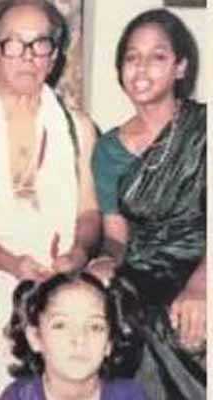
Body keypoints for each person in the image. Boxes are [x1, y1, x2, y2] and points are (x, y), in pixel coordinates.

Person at [0, 0, 101, 395]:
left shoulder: (79, 129)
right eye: (14, 43)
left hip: (63, 280)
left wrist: (78, 253)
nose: (28, 56)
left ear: (54, 56)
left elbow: (89, 213)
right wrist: (12, 264)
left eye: (40, 44)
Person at [89, 8, 206, 400]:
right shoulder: (108, 149)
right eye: (131, 57)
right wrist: (106, 259)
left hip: (201, 263)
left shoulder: (203, 130)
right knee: (110, 309)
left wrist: (201, 283)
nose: (141, 68)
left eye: (157, 56)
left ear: (179, 67)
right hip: (142, 270)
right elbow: (116, 236)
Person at [0, 271, 148, 400]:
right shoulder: (19, 397)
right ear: (35, 338)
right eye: (61, 325)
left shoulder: (130, 395)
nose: (79, 339)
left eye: (95, 327)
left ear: (109, 342)